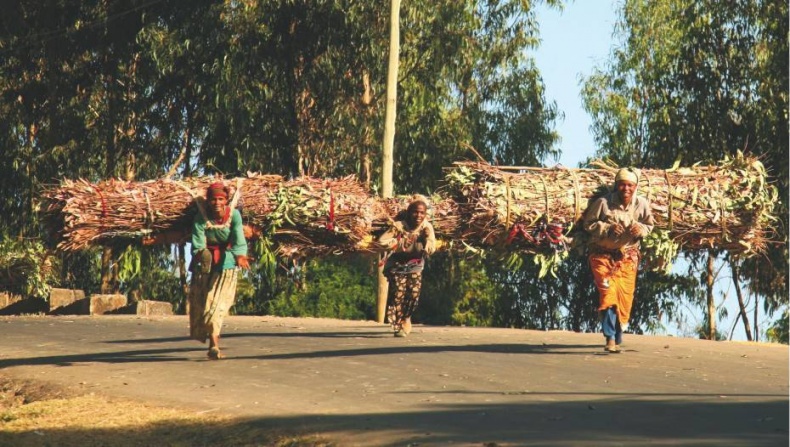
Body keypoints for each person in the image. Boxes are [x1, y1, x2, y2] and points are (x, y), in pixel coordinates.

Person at [582, 167, 654, 353]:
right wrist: (608, 228)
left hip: (627, 258)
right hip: (602, 255)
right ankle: (610, 338)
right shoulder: (603, 203)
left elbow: (649, 225)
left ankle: (617, 334)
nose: (626, 189)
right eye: (622, 185)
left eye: (630, 185)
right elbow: (588, 224)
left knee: (624, 298)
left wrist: (641, 230)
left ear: (635, 187)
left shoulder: (641, 204)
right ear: (616, 185)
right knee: (608, 293)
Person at [188, 182, 250, 359]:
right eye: (214, 199)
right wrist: (201, 253)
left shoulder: (234, 215)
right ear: (208, 201)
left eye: (221, 199)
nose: (217, 203)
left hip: (227, 264)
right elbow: (198, 242)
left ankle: (214, 345)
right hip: (205, 266)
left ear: (226, 200)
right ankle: (213, 345)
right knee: (204, 305)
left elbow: (238, 239)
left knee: (217, 307)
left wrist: (240, 256)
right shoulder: (201, 218)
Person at [379, 197, 437, 337]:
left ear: (425, 214)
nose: (418, 215)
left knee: (413, 294)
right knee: (398, 294)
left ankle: (406, 317)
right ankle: (399, 325)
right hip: (397, 265)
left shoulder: (426, 227)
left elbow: (432, 247)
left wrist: (425, 240)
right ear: (409, 213)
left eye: (422, 213)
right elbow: (382, 241)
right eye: (415, 212)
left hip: (415, 264)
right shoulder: (399, 226)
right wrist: (400, 243)